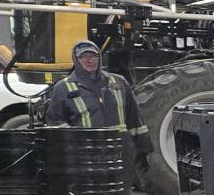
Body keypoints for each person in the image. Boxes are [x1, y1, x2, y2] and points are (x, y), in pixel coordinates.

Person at [43, 40, 153, 182]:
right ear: (76, 60)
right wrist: (74, 144)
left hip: (120, 151)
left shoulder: (119, 82)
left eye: (93, 56)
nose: (89, 60)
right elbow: (55, 122)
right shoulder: (63, 88)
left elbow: (135, 119)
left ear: (99, 57)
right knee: (96, 192)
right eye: (83, 57)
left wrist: (143, 148)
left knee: (121, 192)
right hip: (87, 153)